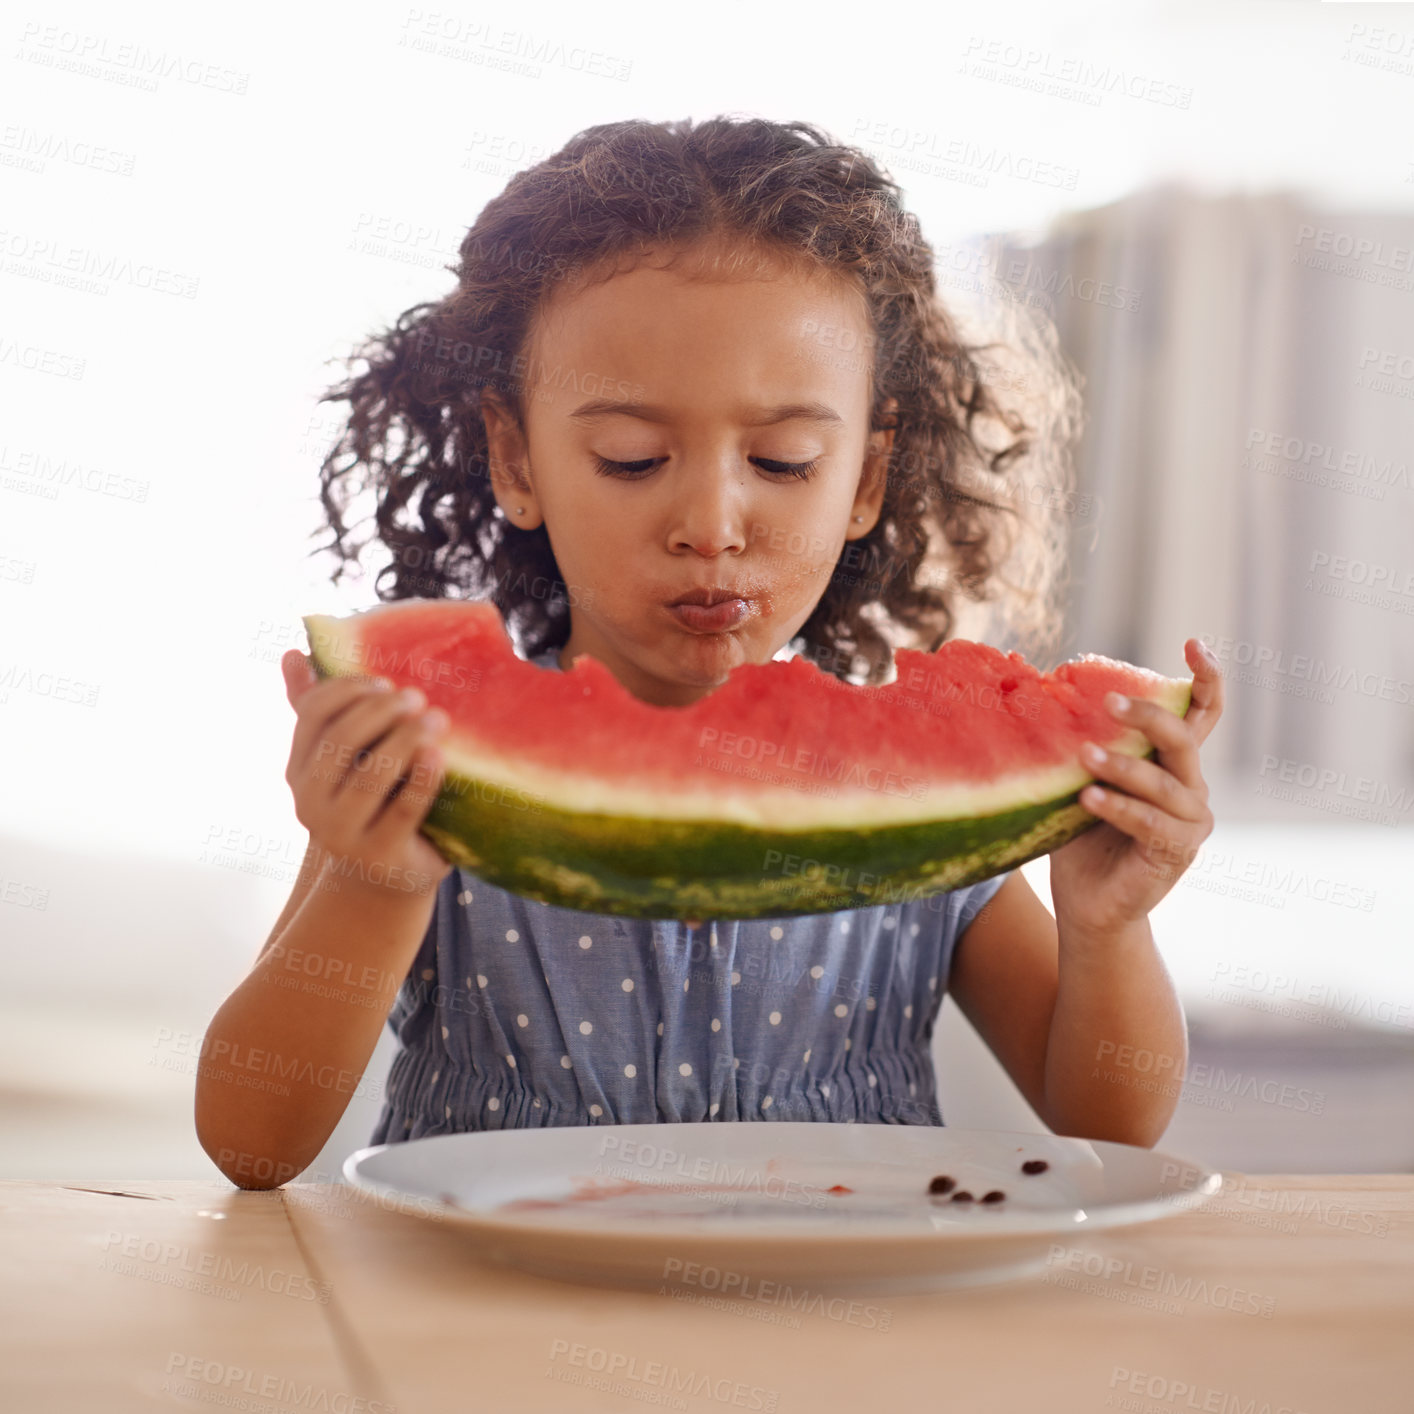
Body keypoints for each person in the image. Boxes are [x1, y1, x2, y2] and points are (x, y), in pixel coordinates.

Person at [195, 117, 1223, 1191]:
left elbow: (1107, 1126)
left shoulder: (922, 826)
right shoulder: (430, 773)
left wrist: (1108, 929)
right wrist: (373, 883)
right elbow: (250, 1140)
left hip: (840, 1324)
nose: (712, 521)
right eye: (632, 459)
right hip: (490, 1328)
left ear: (864, 482)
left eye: (783, 460)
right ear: (518, 459)